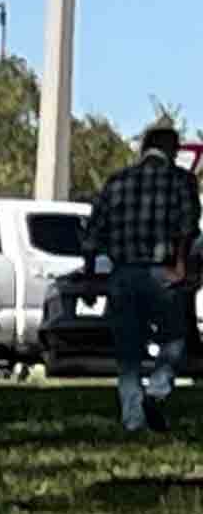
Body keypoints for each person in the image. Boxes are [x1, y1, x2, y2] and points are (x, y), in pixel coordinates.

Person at [89, 124, 202, 433]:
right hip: (162, 271)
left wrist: (91, 271)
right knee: (173, 339)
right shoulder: (181, 181)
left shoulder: (116, 182)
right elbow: (187, 226)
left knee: (127, 350)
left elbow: (94, 233)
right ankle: (158, 388)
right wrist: (180, 265)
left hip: (123, 273)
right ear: (170, 149)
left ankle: (132, 418)